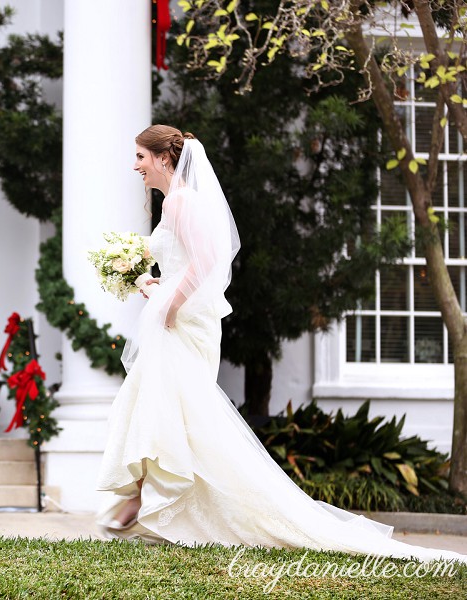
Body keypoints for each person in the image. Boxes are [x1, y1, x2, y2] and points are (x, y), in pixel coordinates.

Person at [95, 124, 466, 562]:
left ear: (162, 158)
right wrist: (161, 285)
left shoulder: (178, 200)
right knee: (164, 405)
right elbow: (189, 264)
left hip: (181, 323)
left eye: (140, 156)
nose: (135, 165)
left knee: (176, 409)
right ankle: (145, 503)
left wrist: (171, 303)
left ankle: (151, 503)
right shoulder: (177, 200)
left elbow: (210, 262)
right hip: (176, 317)